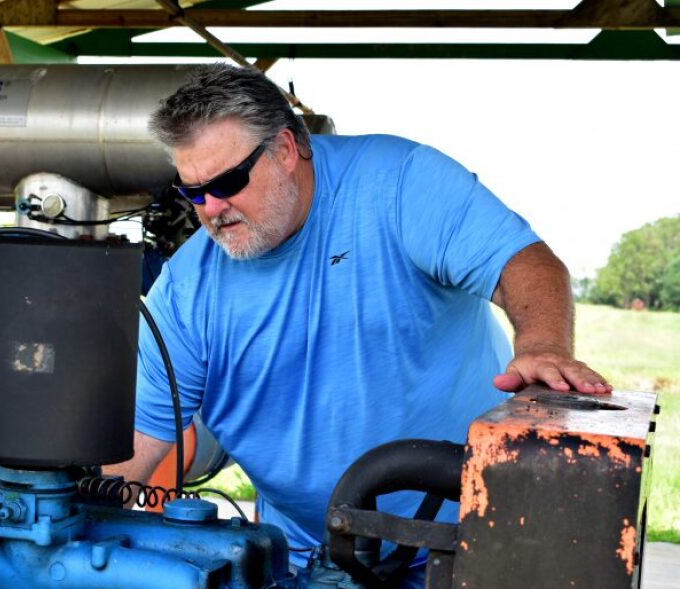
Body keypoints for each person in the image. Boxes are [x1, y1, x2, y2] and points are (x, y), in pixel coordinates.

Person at [110, 63, 611, 585]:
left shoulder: (398, 184)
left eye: (228, 182)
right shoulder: (188, 289)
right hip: (311, 559)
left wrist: (543, 343)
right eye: (192, 192)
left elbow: (525, 264)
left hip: (470, 541)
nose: (211, 209)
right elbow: (136, 451)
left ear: (284, 150)